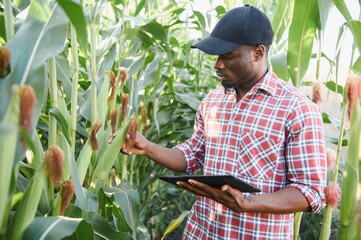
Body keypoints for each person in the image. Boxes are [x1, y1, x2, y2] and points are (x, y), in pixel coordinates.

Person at [121, 4, 326, 239]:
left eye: (227, 56)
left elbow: (311, 193)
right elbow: (191, 156)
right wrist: (146, 147)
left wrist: (248, 203)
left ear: (258, 52)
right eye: (217, 56)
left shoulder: (296, 109)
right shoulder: (213, 100)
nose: (217, 64)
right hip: (201, 232)